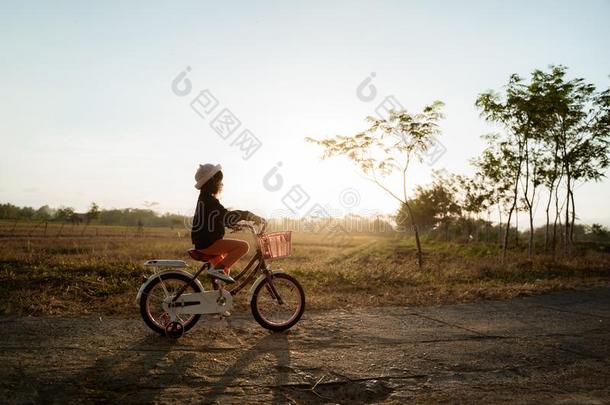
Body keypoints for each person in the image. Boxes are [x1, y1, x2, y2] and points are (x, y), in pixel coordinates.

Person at [191, 163, 264, 283]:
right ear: (213, 182)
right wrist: (248, 215)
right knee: (243, 246)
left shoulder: (205, 198)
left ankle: (218, 298)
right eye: (220, 181)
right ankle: (217, 271)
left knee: (225, 271)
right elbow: (226, 216)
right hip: (208, 243)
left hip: (203, 242)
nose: (221, 184)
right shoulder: (209, 201)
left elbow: (218, 217)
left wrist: (231, 224)